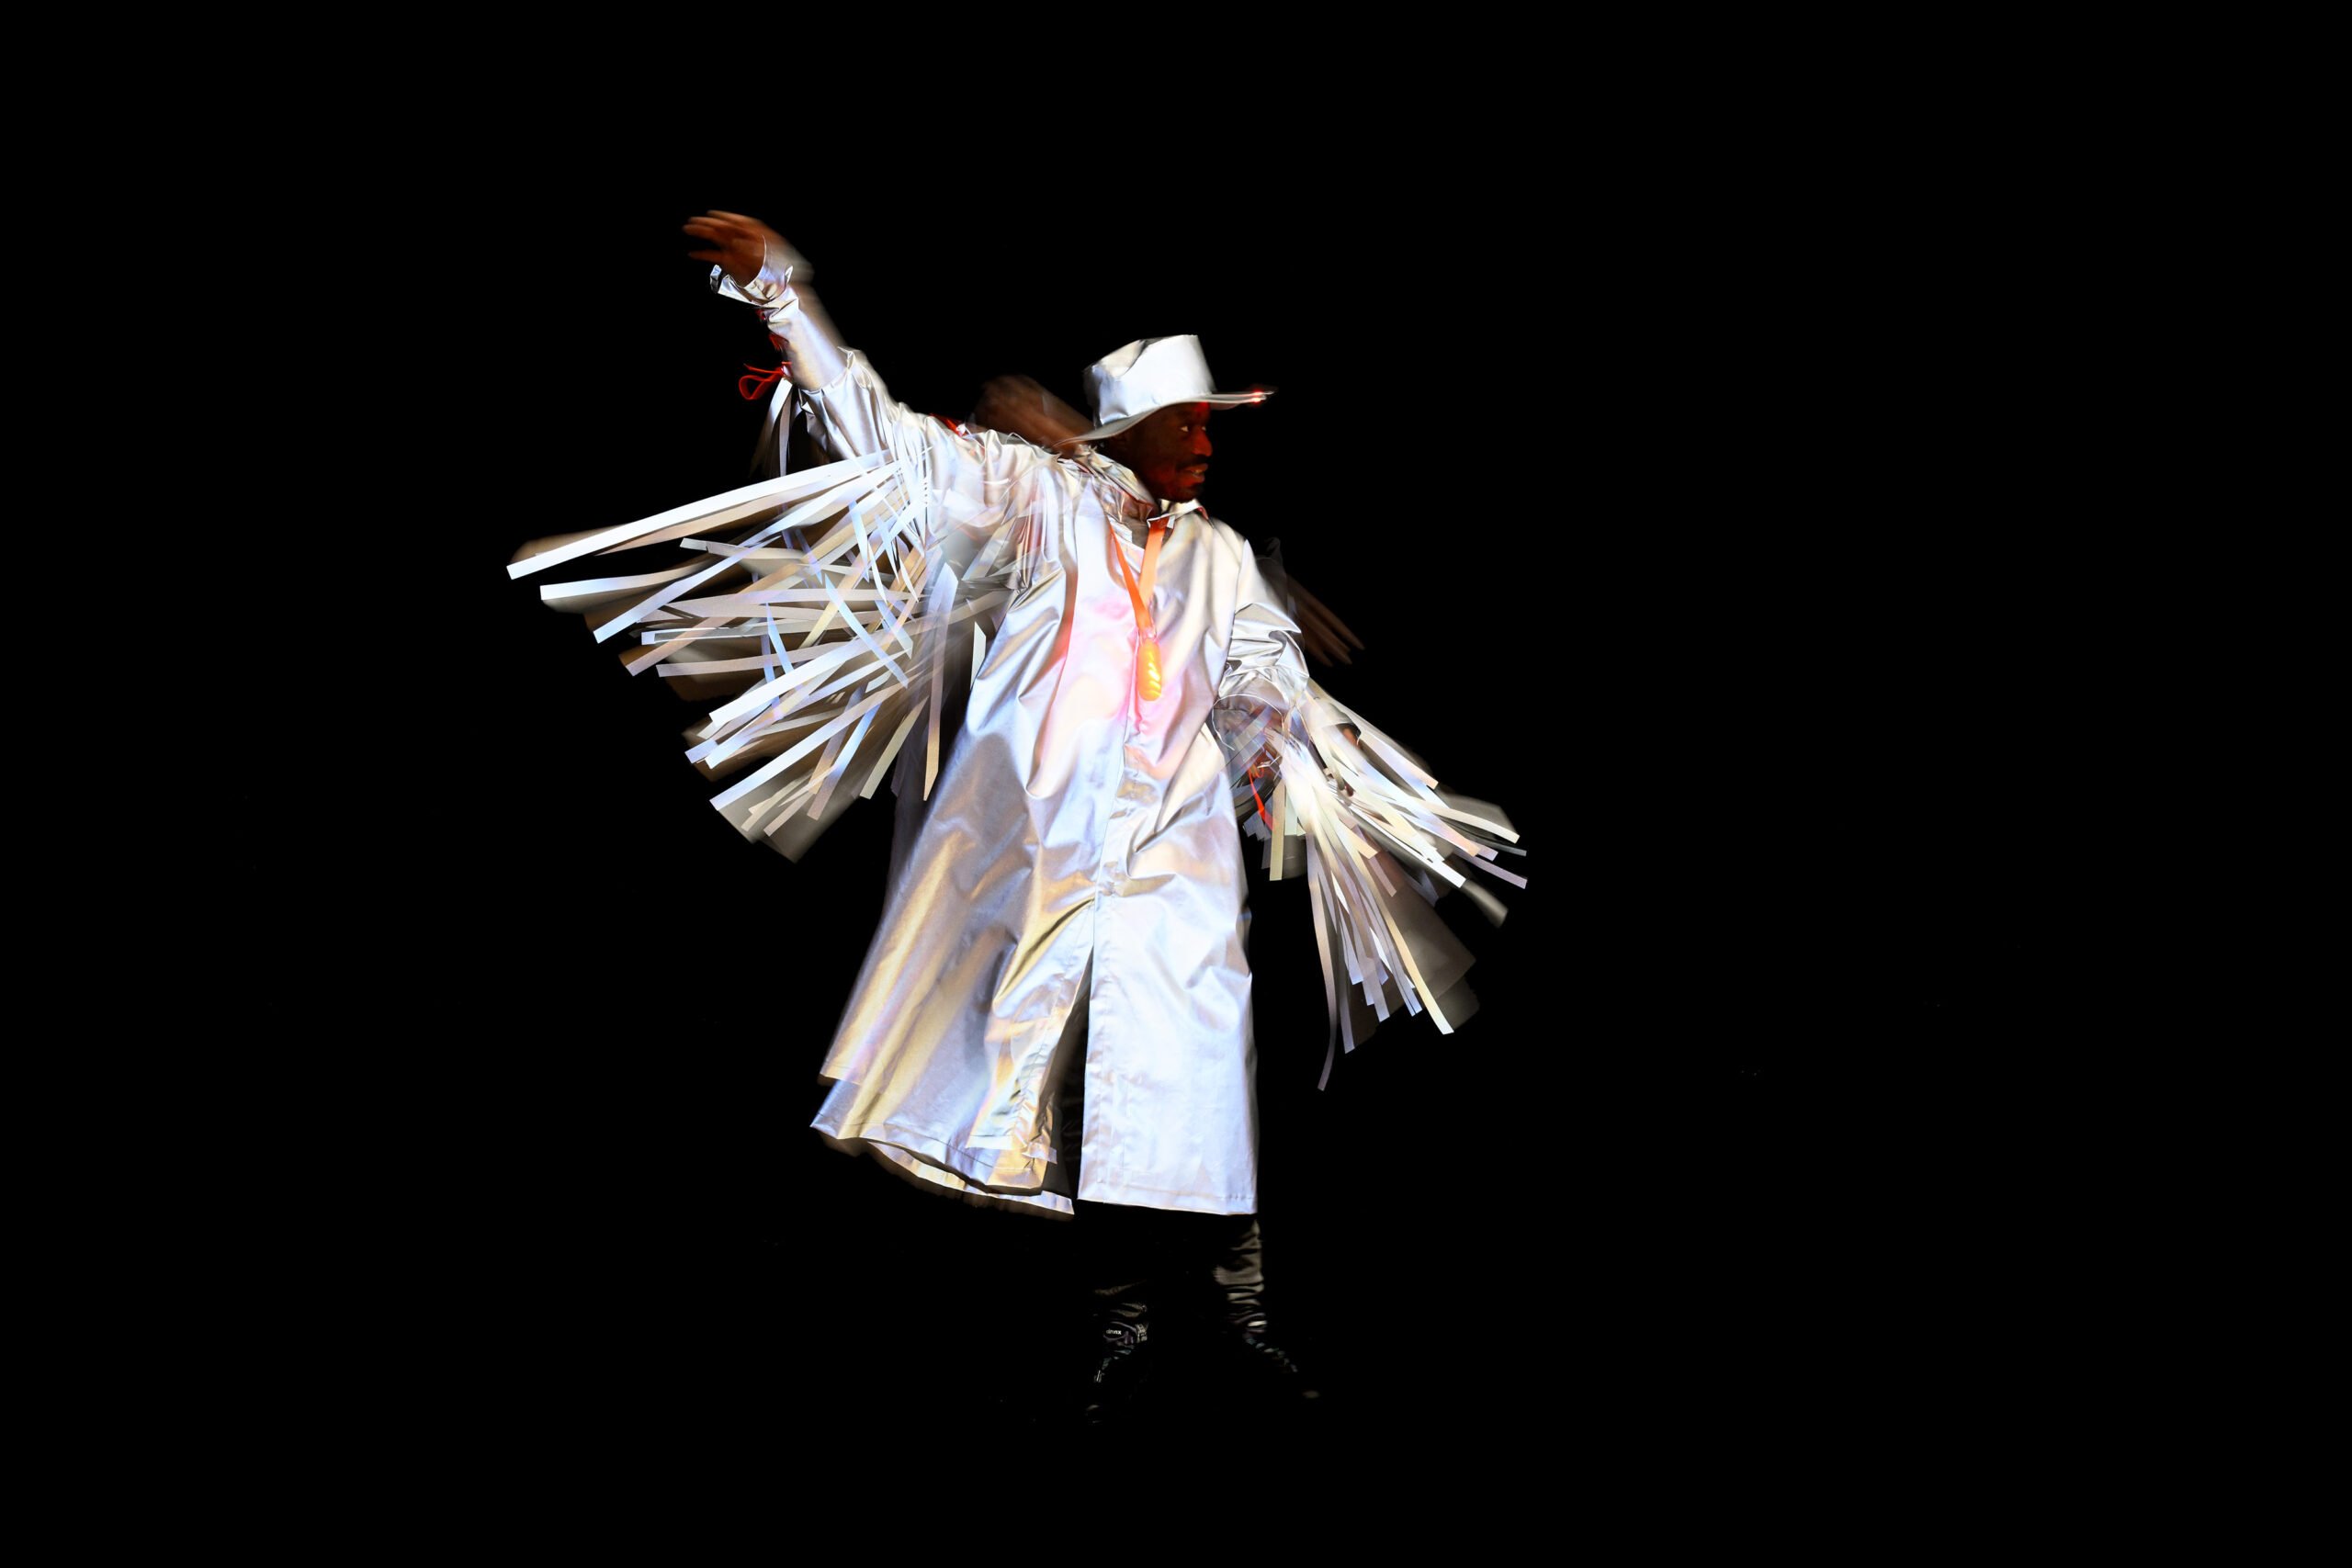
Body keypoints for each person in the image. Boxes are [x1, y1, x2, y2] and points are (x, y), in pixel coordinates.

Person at [511, 209, 1522, 1425]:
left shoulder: (1219, 560)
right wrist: (784, 295)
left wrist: (1326, 773)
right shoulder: (1038, 497)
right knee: (1069, 1098)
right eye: (1189, 424)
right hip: (1043, 858)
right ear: (1132, 432)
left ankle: (1241, 1322)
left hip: (1176, 869)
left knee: (1199, 1096)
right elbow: (881, 434)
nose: (1208, 443)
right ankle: (1118, 1330)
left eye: (1212, 425)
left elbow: (1262, 688)